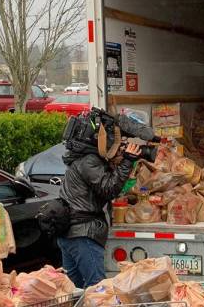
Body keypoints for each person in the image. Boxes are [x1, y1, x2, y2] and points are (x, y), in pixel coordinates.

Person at [58, 112, 159, 288]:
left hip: (71, 233)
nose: (116, 145)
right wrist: (127, 161)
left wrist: (120, 161)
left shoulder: (81, 160)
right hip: (82, 234)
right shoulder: (89, 162)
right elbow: (109, 188)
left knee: (73, 289)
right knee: (98, 288)